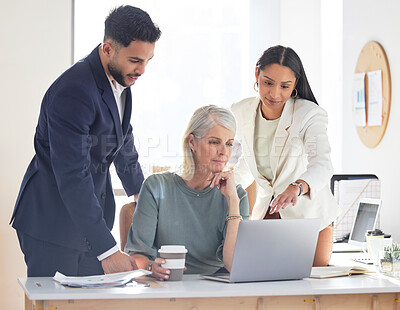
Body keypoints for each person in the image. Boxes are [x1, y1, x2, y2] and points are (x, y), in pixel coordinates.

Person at [10, 5, 161, 277]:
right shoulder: (74, 91)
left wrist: (142, 194)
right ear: (107, 49)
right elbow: (72, 175)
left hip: (86, 224)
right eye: (135, 60)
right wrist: (107, 249)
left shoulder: (120, 78)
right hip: (52, 225)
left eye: (148, 60)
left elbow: (122, 140)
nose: (142, 70)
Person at [231, 45, 340, 266]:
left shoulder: (309, 114)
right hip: (267, 214)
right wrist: (225, 185)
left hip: (309, 219)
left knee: (312, 290)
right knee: (266, 286)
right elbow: (247, 162)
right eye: (268, 82)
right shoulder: (241, 111)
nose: (274, 93)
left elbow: (322, 163)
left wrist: (297, 186)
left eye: (285, 86)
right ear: (256, 74)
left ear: (295, 85)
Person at [124, 105, 249, 280]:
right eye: (214, 142)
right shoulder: (156, 186)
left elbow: (234, 264)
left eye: (229, 144)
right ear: (192, 142)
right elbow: (137, 257)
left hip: (216, 290)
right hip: (167, 286)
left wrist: (233, 203)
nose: (223, 152)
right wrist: (152, 267)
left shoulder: (236, 195)